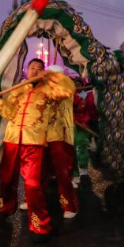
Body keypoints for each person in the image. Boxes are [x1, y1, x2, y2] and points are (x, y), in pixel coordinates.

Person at [0, 58, 68, 244]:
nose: (35, 70)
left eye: (39, 68)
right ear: (26, 70)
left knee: (32, 185)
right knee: (6, 180)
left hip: (34, 142)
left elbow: (65, 93)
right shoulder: (18, 88)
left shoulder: (49, 91)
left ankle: (41, 226)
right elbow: (9, 113)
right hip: (13, 139)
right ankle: (5, 210)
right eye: (32, 67)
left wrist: (54, 78)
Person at [43, 66, 78, 218]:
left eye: (55, 76)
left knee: (62, 173)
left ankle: (69, 205)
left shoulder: (66, 89)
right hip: (40, 136)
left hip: (60, 136)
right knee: (38, 172)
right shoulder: (41, 90)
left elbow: (69, 88)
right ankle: (31, 200)